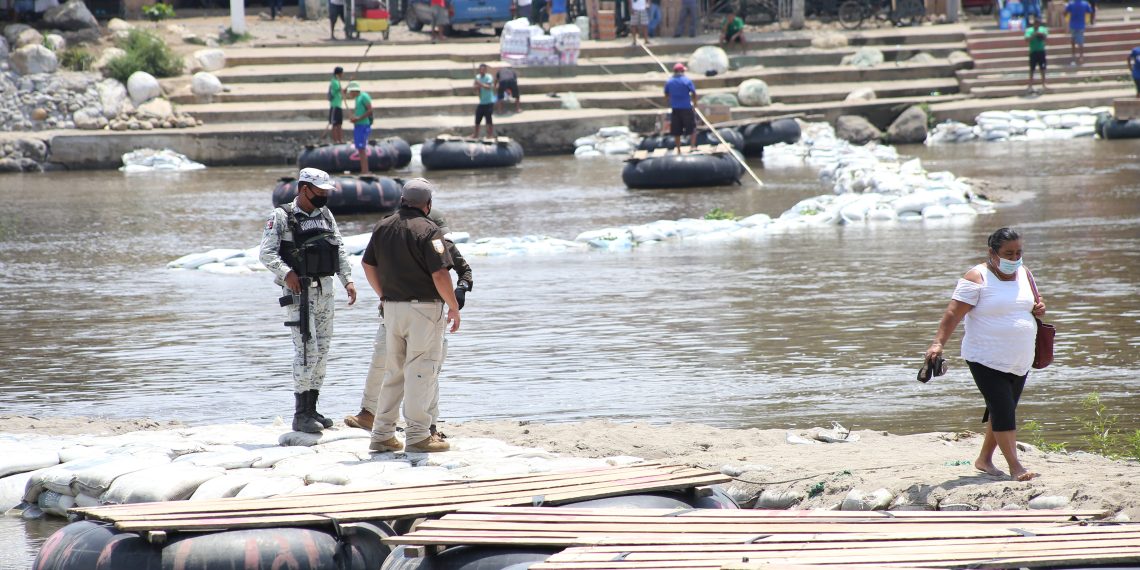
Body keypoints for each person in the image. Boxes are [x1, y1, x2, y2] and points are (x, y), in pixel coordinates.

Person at [924, 227, 1046, 483]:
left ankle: (984, 460)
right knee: (1003, 410)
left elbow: (1026, 307)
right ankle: (1016, 467)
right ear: (992, 253)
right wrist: (937, 344)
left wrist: (1038, 309)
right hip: (985, 357)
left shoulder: (1025, 274)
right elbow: (952, 314)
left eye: (1019, 253)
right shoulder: (976, 277)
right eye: (1008, 253)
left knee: (1004, 408)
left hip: (1019, 358)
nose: (1014, 259)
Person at [344, 211, 473, 435]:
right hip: (393, 313)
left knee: (426, 371)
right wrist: (384, 296)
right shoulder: (396, 240)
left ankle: (428, 425)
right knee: (383, 364)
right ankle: (369, 413)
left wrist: (459, 292)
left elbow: (464, 271)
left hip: (427, 316)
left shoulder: (442, 244)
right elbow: (369, 264)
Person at [361, 178, 461, 454]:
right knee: (422, 369)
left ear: (403, 200)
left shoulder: (383, 226)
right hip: (424, 309)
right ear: (427, 204)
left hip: (392, 309)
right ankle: (417, 435)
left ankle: (382, 435)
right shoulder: (429, 230)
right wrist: (452, 305)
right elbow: (440, 273)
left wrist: (383, 295)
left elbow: (367, 264)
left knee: (394, 371)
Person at [259, 167, 358, 434]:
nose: (325, 196)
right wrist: (286, 273)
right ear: (305, 189)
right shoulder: (283, 216)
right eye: (321, 191)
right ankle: (300, 414)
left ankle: (313, 408)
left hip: (325, 291)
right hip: (299, 294)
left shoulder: (325, 214)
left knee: (323, 351)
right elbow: (266, 254)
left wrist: (346, 280)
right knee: (306, 351)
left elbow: (338, 248)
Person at [663, 62, 698, 153]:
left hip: (675, 109)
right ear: (682, 71)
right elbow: (694, 93)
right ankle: (692, 146)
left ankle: (678, 149)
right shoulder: (686, 81)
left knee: (676, 130)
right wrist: (695, 104)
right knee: (692, 127)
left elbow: (666, 95)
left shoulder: (669, 82)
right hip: (686, 108)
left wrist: (671, 101)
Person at [346, 81, 373, 174]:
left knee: (362, 149)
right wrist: (354, 118)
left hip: (363, 125)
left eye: (350, 92)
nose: (349, 94)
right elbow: (359, 112)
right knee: (359, 149)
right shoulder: (357, 98)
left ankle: (365, 171)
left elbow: (370, 110)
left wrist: (358, 118)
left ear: (355, 91)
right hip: (358, 125)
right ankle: (364, 170)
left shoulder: (364, 96)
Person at [1064, 0, 1094, 66]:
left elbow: (1065, 12)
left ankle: (1073, 56)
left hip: (1073, 25)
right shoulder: (1085, 3)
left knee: (1073, 41)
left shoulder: (1070, 3)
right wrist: (1090, 21)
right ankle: (1081, 57)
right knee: (1080, 42)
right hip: (1081, 25)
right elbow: (1090, 11)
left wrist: (1066, 16)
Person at [1025, 17, 1048, 93]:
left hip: (1041, 51)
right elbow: (1027, 39)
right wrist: (1034, 35)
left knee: (1043, 68)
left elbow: (1045, 38)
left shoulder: (1043, 29)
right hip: (1033, 52)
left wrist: (1041, 34)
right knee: (1032, 69)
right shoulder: (1029, 30)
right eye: (1036, 24)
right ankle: (1030, 85)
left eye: (1038, 24)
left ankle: (1043, 84)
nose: (1037, 25)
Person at [473, 63, 495, 139]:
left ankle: (490, 135)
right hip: (482, 102)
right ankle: (476, 134)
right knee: (477, 118)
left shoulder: (489, 77)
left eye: (483, 69)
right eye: (480, 69)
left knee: (488, 119)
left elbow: (488, 87)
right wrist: (476, 86)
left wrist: (480, 84)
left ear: (485, 70)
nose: (482, 71)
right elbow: (475, 87)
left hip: (489, 101)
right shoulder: (477, 77)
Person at [327, 67, 345, 145]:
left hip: (339, 105)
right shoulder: (334, 82)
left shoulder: (337, 81)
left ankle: (340, 140)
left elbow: (340, 92)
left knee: (339, 124)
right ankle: (335, 141)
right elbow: (339, 90)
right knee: (335, 124)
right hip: (335, 105)